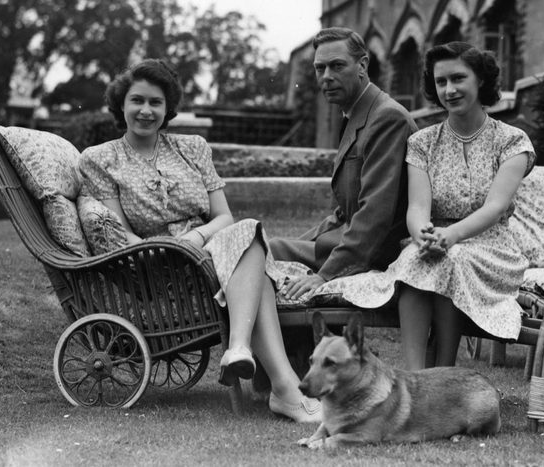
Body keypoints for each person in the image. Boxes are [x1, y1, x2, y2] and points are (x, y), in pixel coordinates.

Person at [78, 58, 321, 423]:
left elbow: (224, 216)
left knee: (247, 231)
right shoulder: (100, 159)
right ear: (121, 105)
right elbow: (122, 232)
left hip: (209, 246)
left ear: (168, 108)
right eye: (137, 101)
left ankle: (248, 356)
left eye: (156, 102)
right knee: (256, 261)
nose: (146, 110)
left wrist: (195, 236)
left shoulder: (191, 148)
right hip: (159, 263)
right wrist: (174, 247)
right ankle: (282, 386)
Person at [395, 41, 536, 370]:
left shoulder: (511, 141)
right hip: (436, 240)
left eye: (458, 79)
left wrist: (451, 237)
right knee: (421, 256)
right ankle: (415, 378)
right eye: (441, 81)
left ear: (481, 80)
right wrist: (423, 236)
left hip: (491, 248)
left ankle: (443, 372)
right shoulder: (422, 143)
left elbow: (496, 207)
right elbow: (417, 206)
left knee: (450, 257)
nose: (449, 89)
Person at [269, 27, 418, 299]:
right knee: (268, 251)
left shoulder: (387, 119)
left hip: (377, 253)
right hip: (350, 241)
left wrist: (325, 275)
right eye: (320, 68)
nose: (326, 77)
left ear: (362, 65)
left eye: (337, 66)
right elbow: (343, 212)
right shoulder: (357, 113)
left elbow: (374, 216)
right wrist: (304, 242)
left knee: (267, 263)